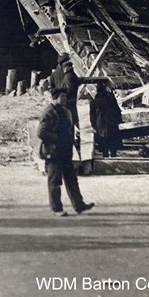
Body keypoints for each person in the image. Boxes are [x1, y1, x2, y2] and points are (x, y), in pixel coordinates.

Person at [37, 88, 94, 217]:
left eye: (65, 97)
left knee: (71, 179)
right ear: (55, 97)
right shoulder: (49, 112)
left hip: (66, 151)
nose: (65, 99)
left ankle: (79, 205)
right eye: (62, 96)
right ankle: (57, 208)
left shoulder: (66, 111)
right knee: (55, 181)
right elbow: (41, 132)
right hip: (53, 151)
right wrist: (57, 139)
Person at [90, 81, 123, 158]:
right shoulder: (110, 99)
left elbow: (92, 116)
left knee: (103, 141)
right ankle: (113, 154)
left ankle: (105, 155)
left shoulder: (94, 102)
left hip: (100, 124)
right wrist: (118, 120)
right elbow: (117, 110)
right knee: (113, 140)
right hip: (111, 122)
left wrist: (94, 125)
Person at [50, 53, 80, 127]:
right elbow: (75, 84)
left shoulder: (54, 74)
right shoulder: (70, 73)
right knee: (72, 122)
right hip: (70, 101)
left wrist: (56, 98)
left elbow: (52, 89)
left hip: (60, 101)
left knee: (62, 123)